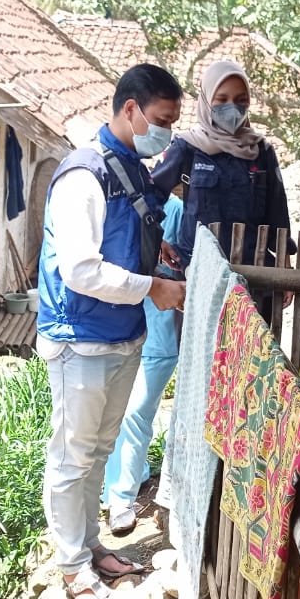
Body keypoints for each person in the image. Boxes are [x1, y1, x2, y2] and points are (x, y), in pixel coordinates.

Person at [36, 63, 187, 599]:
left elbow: (132, 228)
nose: (166, 132)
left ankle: (90, 545)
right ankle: (72, 565)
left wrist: (155, 253)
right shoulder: (84, 173)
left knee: (98, 451)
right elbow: (80, 269)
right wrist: (152, 287)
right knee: (74, 455)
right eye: (162, 120)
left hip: (121, 334)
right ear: (130, 109)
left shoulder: (130, 166)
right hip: (80, 336)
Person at [151, 60, 295, 275]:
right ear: (208, 101)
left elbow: (278, 213)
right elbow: (149, 196)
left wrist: (284, 265)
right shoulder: (187, 147)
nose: (232, 107)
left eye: (240, 100)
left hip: (255, 275)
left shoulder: (261, 151)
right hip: (198, 273)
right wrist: (155, 238)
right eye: (221, 99)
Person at [103, 194, 183, 535]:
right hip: (131, 331)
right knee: (122, 413)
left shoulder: (174, 209)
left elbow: (174, 267)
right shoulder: (138, 205)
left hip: (159, 335)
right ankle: (128, 480)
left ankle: (120, 500)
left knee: (135, 414)